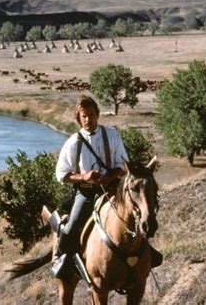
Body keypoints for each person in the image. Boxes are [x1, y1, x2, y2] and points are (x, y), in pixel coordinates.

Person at [52, 95, 128, 279]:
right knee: (71, 227)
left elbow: (124, 164)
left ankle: (145, 258)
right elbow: (61, 174)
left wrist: (110, 176)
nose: (88, 120)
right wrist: (84, 176)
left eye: (91, 115)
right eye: (84, 116)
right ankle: (61, 261)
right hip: (85, 192)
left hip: (112, 190)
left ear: (98, 114)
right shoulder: (72, 143)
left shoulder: (112, 135)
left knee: (135, 217)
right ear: (79, 118)